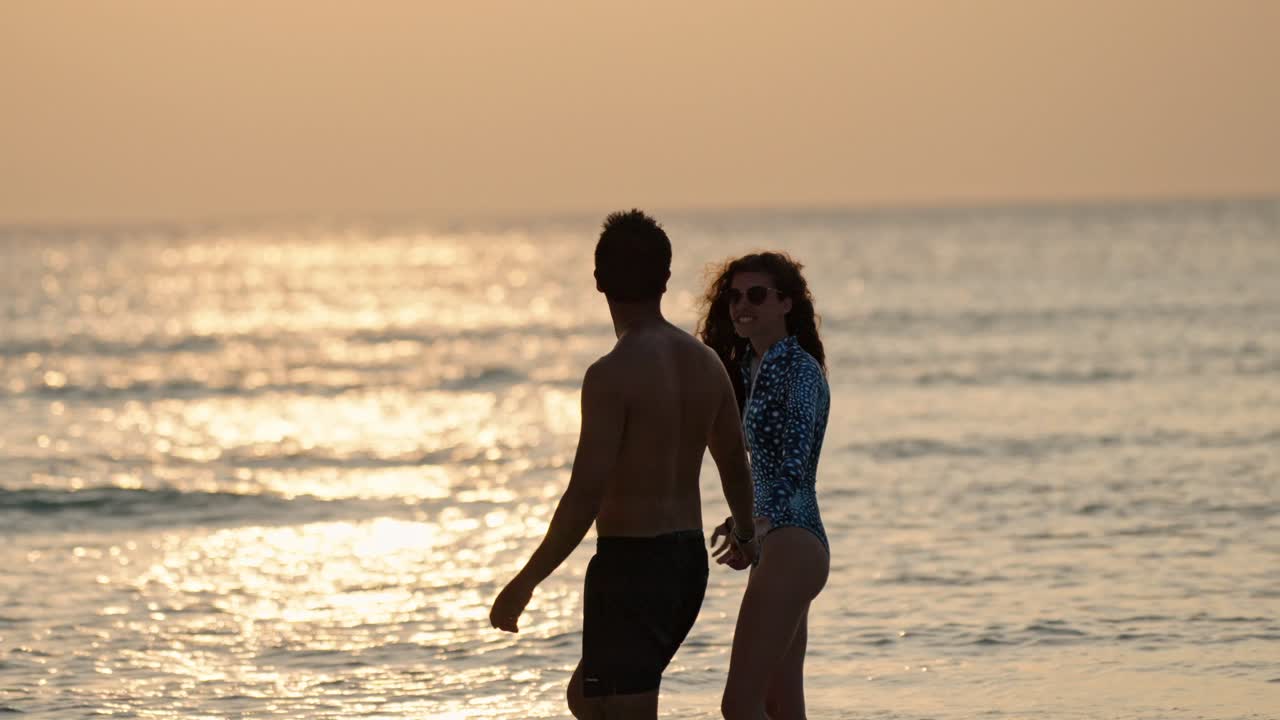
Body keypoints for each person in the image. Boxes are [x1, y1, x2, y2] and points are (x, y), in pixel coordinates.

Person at [489, 210, 760, 720]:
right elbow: (734, 468)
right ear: (665, 279)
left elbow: (584, 496)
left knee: (621, 707)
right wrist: (747, 536)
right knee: (590, 698)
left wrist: (526, 581)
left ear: (598, 280)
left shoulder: (612, 375)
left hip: (633, 566)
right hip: (685, 564)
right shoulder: (707, 364)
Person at [697, 252, 831, 720]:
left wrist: (755, 523)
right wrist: (743, 519)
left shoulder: (795, 368)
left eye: (755, 295)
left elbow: (792, 461)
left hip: (791, 541)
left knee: (739, 704)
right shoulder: (757, 367)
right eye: (733, 297)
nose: (740, 306)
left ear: (786, 303)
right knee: (779, 705)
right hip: (782, 542)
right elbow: (769, 470)